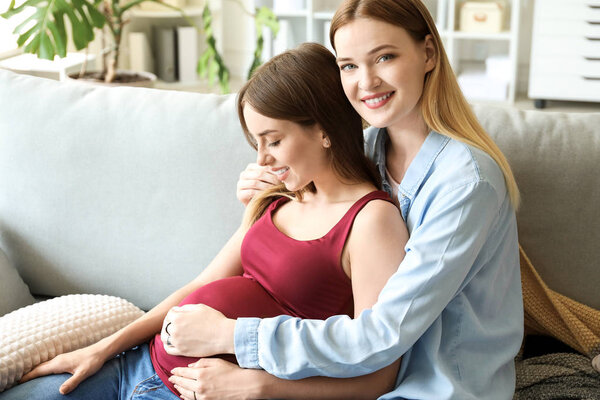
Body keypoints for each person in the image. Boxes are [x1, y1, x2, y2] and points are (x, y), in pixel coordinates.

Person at [0, 43, 408, 400]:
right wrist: (102, 349)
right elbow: (200, 286)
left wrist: (255, 386)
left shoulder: (371, 221)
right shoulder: (279, 196)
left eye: (274, 140)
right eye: (256, 142)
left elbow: (378, 377)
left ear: (324, 130)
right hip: (137, 365)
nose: (261, 159)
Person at [167, 0, 524, 399]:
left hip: (434, 388)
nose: (366, 82)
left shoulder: (465, 184)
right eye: (349, 65)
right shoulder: (368, 148)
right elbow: (313, 218)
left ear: (427, 53)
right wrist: (267, 187)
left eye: (384, 57)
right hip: (343, 379)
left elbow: (382, 333)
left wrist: (232, 337)